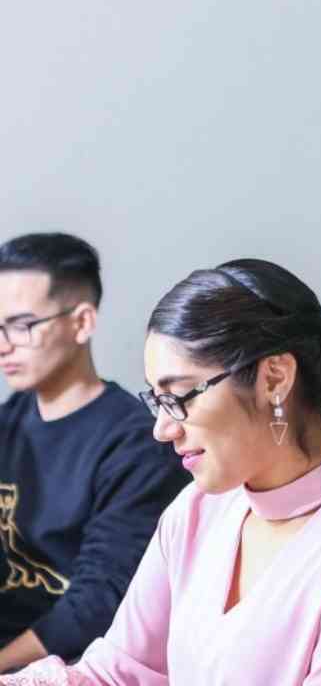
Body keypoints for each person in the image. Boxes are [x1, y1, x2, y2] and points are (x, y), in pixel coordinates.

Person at [2, 258, 321, 685]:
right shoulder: (197, 510)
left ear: (274, 377)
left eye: (181, 396)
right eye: (158, 401)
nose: (162, 429)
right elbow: (119, 671)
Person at [0, 233, 189, 673]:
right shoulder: (10, 423)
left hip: (73, 664)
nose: (4, 345)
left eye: (22, 326)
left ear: (82, 322)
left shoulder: (138, 444)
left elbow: (97, 605)